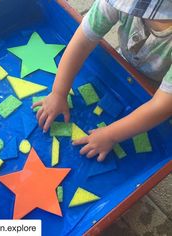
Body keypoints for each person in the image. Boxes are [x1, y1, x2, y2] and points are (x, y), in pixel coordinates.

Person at [32, 0, 172, 162]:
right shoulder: (116, 3)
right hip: (131, 64)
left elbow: (162, 105)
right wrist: (58, 92)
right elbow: (82, 42)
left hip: (159, 86)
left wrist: (110, 135)